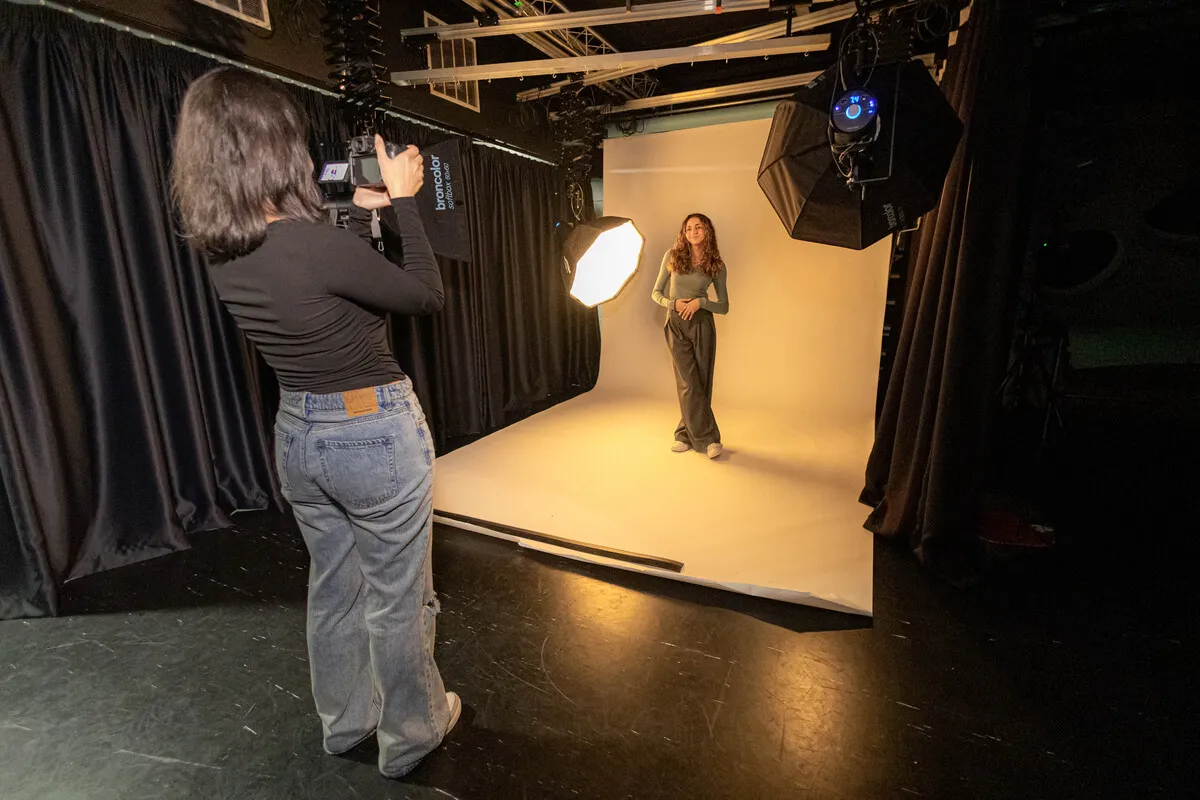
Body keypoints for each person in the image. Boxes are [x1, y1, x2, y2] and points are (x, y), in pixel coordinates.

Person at [170, 67, 458, 779]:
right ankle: (413, 734)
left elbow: (334, 300)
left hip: (299, 434)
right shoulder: (312, 243)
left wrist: (358, 211)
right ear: (275, 149)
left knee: (333, 586)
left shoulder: (220, 249)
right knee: (397, 598)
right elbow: (422, 294)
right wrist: (404, 203)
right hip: (374, 435)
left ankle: (345, 723)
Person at [650, 213, 729, 459]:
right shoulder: (672, 257)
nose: (693, 232)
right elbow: (656, 293)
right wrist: (672, 304)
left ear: (707, 231)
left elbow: (724, 306)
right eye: (688, 228)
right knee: (687, 382)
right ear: (684, 233)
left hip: (702, 324)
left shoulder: (716, 265)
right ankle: (709, 440)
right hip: (675, 324)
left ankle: (684, 434)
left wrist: (701, 303)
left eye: (698, 227)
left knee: (701, 381)